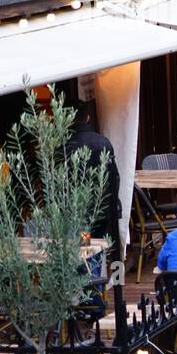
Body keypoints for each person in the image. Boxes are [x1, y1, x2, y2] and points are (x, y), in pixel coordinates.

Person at [65, 106, 120, 249]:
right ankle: (93, 270)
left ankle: (89, 270)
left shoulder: (66, 146)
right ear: (88, 118)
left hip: (79, 211)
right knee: (96, 248)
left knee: (85, 248)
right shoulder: (103, 142)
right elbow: (114, 176)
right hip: (103, 208)